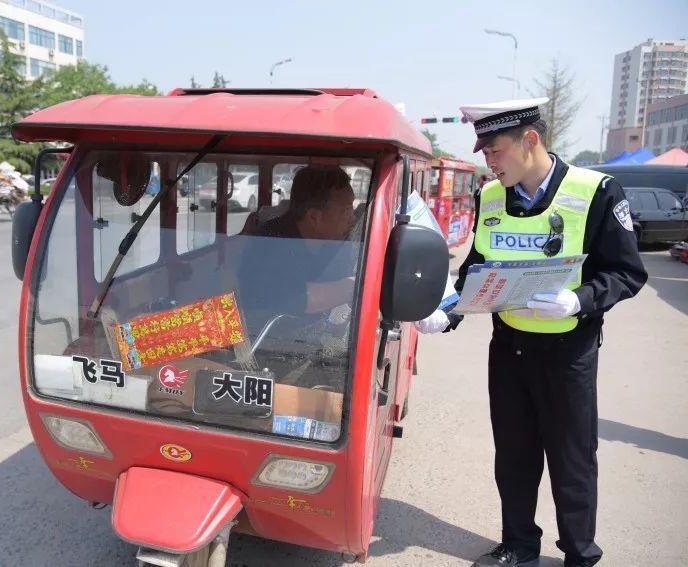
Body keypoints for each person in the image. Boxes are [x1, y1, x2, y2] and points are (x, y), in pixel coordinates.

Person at [415, 98, 648, 567]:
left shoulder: (597, 192)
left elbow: (627, 273)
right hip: (509, 347)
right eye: (484, 154)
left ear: (531, 140)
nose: (489, 162)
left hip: (568, 352)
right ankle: (519, 545)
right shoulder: (491, 197)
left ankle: (580, 554)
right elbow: (478, 267)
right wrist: (449, 311)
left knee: (572, 460)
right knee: (515, 454)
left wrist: (579, 300)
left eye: (495, 150)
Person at [237, 165, 357, 362]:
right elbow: (297, 298)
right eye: (345, 210)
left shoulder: (331, 243)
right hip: (266, 351)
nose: (352, 218)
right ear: (314, 217)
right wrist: (359, 284)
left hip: (305, 341)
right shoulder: (271, 243)